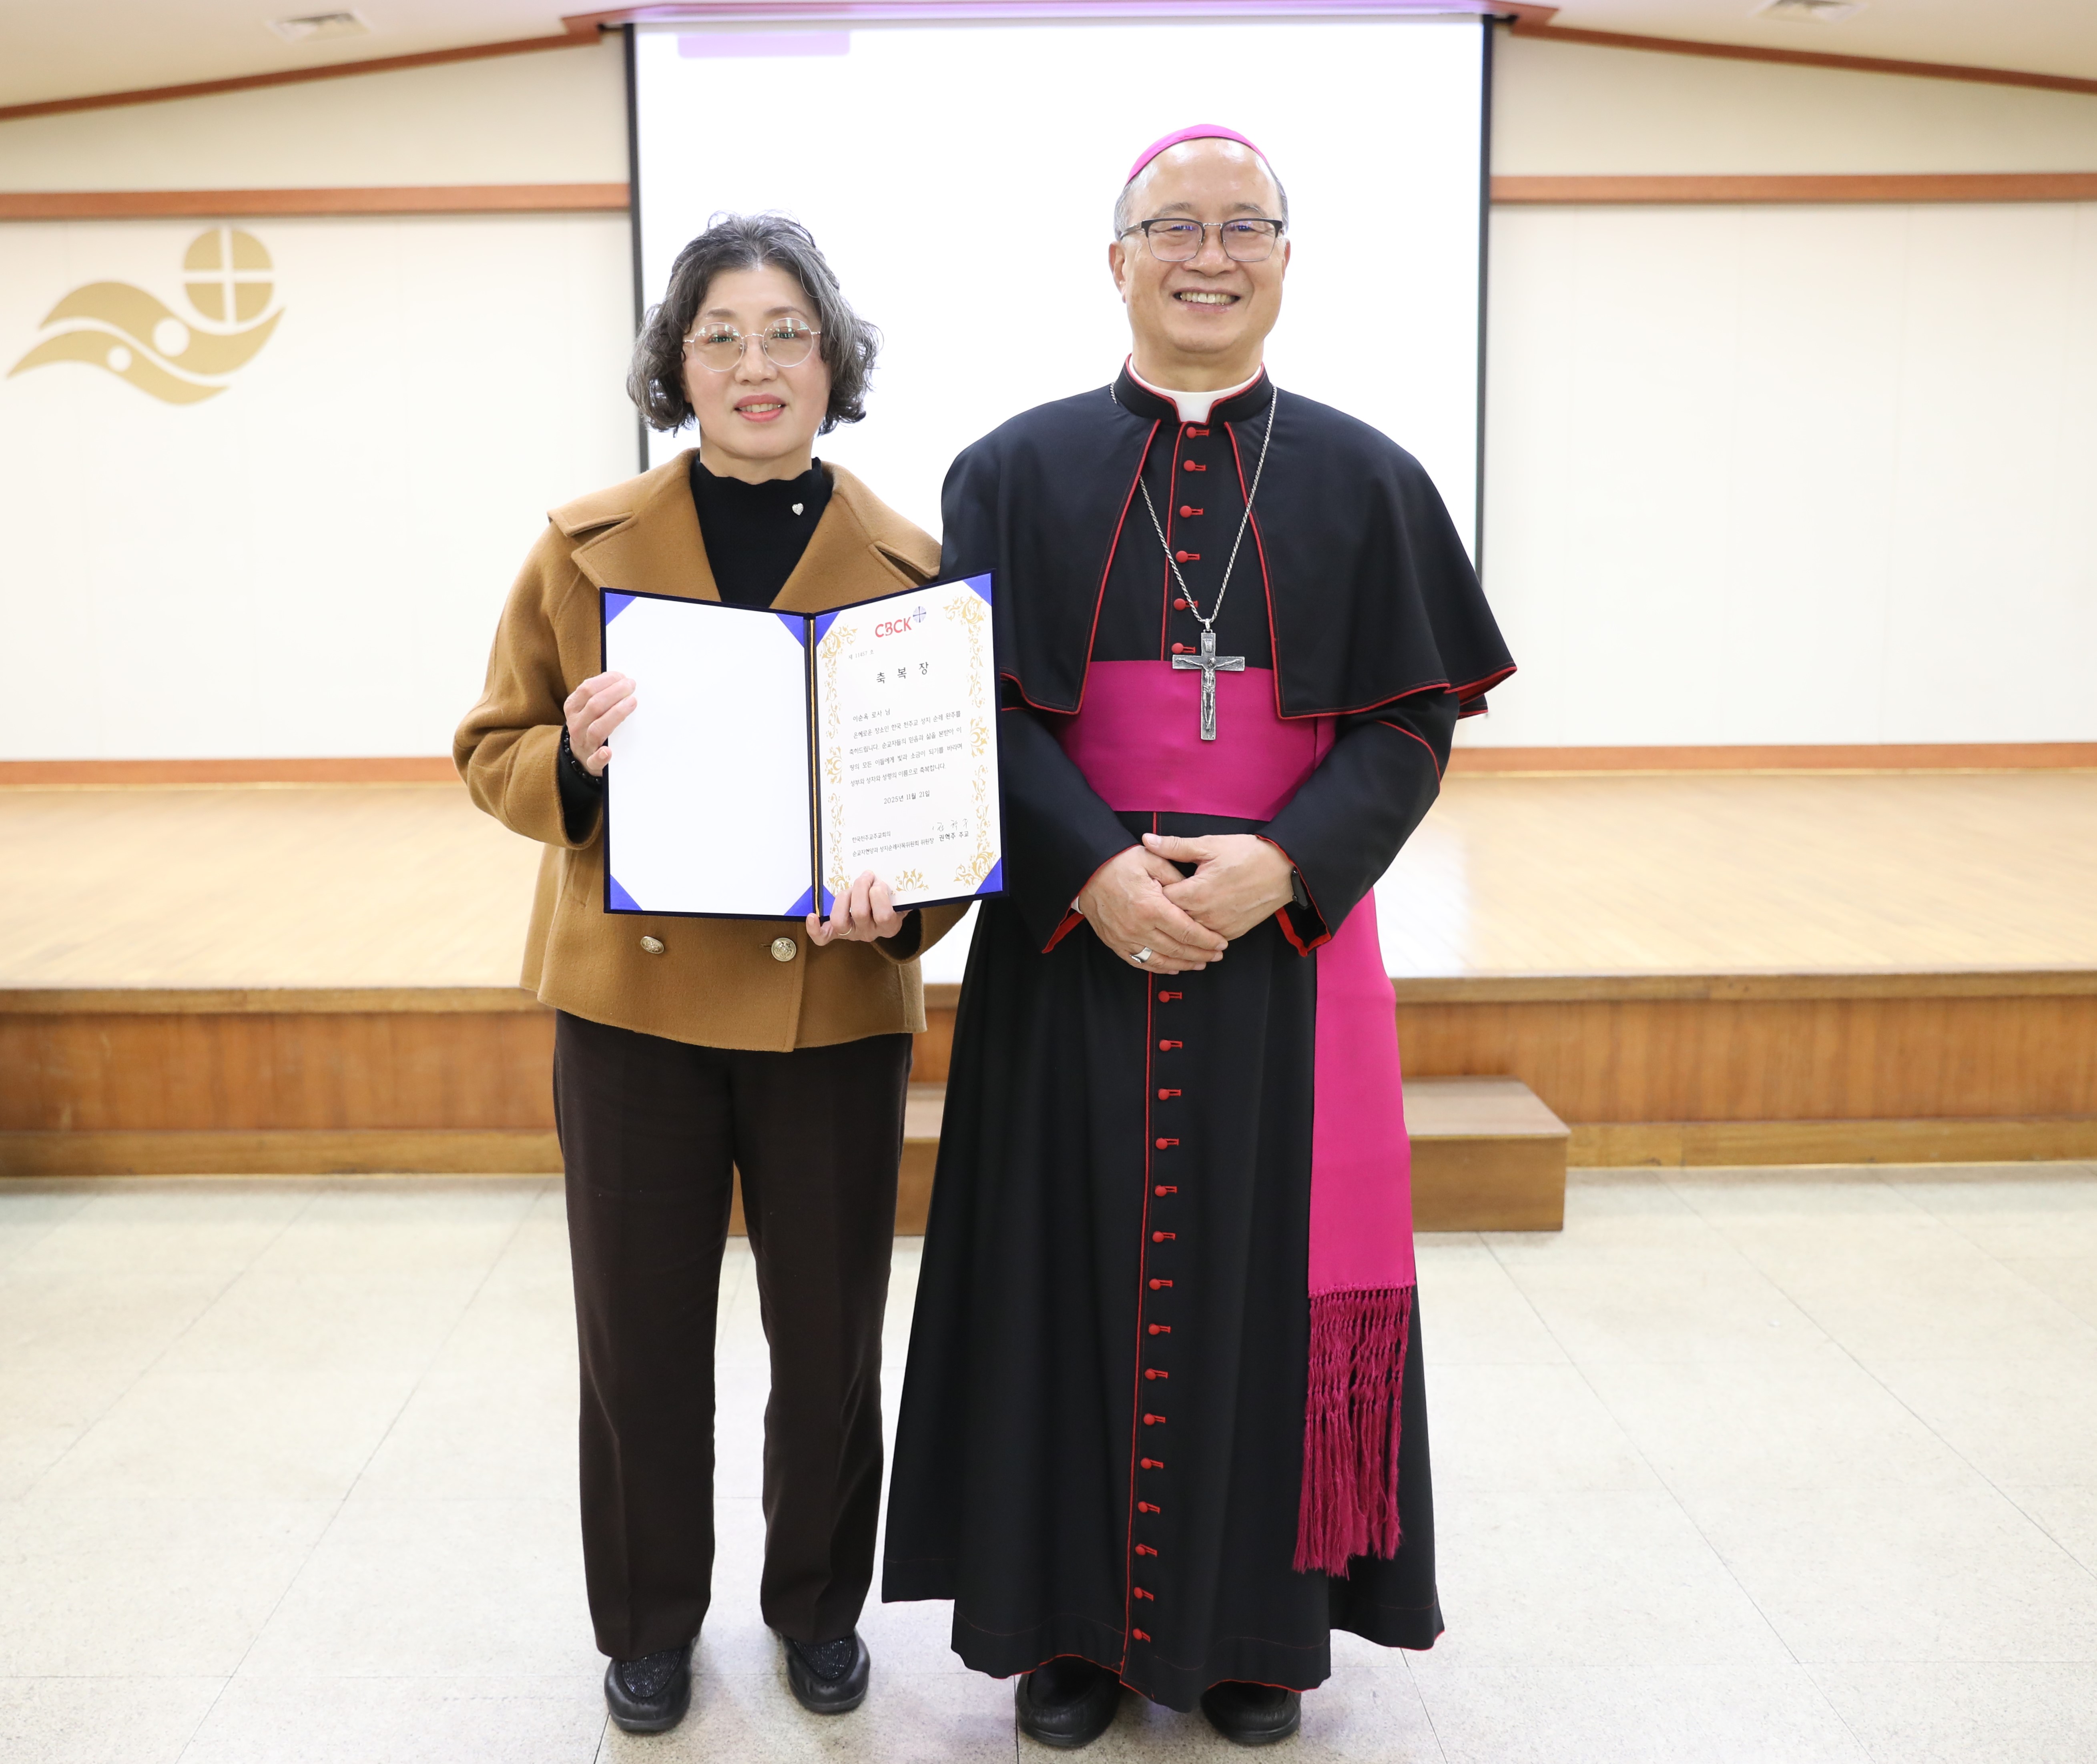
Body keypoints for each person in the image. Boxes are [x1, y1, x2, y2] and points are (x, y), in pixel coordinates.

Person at [882, 128, 1514, 1747]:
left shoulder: (1368, 479)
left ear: (1284, 261)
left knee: (1263, 1279)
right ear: (1118, 261)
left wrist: (1283, 866)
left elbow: (1408, 727)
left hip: (1281, 966)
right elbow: (979, 709)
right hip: (1067, 953)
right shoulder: (1010, 473)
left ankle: (1254, 1633)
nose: (1208, 255)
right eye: (1174, 227)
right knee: (1056, 1273)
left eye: (1244, 228)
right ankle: (1063, 1631)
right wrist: (1090, 872)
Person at [456, 213, 964, 1735]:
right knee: (641, 1339)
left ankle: (817, 1611)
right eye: (723, 335)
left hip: (832, 1007)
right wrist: (582, 760)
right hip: (633, 1007)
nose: (759, 364)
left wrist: (907, 906)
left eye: (789, 333)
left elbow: (943, 804)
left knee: (829, 1347)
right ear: (676, 366)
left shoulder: (916, 565)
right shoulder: (581, 542)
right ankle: (649, 1625)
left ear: (835, 361)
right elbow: (492, 749)